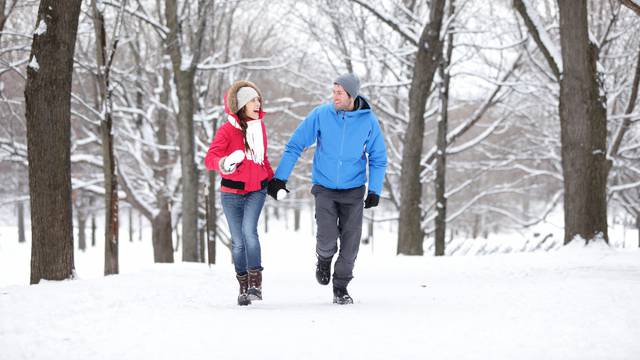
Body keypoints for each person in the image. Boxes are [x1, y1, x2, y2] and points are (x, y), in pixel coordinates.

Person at [268, 73, 387, 304]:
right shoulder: (322, 115)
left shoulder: (369, 121)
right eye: (333, 91)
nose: (334, 97)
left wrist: (375, 190)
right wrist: (279, 178)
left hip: (353, 189)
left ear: (351, 95)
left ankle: (340, 288)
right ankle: (323, 259)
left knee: (351, 243)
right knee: (327, 237)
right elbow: (296, 145)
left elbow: (378, 158)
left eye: (339, 93)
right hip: (324, 187)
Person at [204, 80, 273, 306]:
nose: (258, 103)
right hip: (231, 194)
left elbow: (262, 160)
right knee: (238, 242)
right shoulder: (226, 131)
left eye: (258, 99)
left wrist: (274, 182)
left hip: (256, 191)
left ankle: (256, 284)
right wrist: (223, 162)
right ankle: (243, 286)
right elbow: (210, 158)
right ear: (242, 105)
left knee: (249, 232)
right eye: (253, 100)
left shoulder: (259, 127)